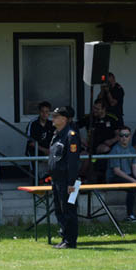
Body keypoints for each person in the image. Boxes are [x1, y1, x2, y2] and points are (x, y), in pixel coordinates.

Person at [48, 107, 81, 249]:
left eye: (56, 116)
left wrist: (71, 182)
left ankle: (70, 241)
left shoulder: (70, 135)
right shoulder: (57, 134)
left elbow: (73, 162)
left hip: (68, 180)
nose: (53, 118)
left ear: (64, 119)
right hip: (56, 179)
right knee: (59, 210)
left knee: (69, 210)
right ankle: (64, 238)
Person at [77, 98, 120, 180]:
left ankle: (101, 180)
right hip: (91, 148)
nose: (94, 110)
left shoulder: (112, 118)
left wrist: (110, 141)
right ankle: (80, 180)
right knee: (84, 157)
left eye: (97, 109)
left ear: (103, 109)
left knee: (103, 152)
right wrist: (81, 139)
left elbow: (119, 135)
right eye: (93, 108)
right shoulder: (89, 118)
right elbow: (73, 128)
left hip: (106, 149)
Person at [106, 126, 136, 221]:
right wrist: (133, 181)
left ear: (130, 137)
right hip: (114, 177)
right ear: (119, 137)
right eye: (122, 135)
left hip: (127, 175)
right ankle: (130, 215)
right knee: (132, 187)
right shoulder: (115, 150)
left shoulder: (132, 150)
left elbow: (134, 167)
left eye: (126, 135)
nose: (124, 138)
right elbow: (116, 171)